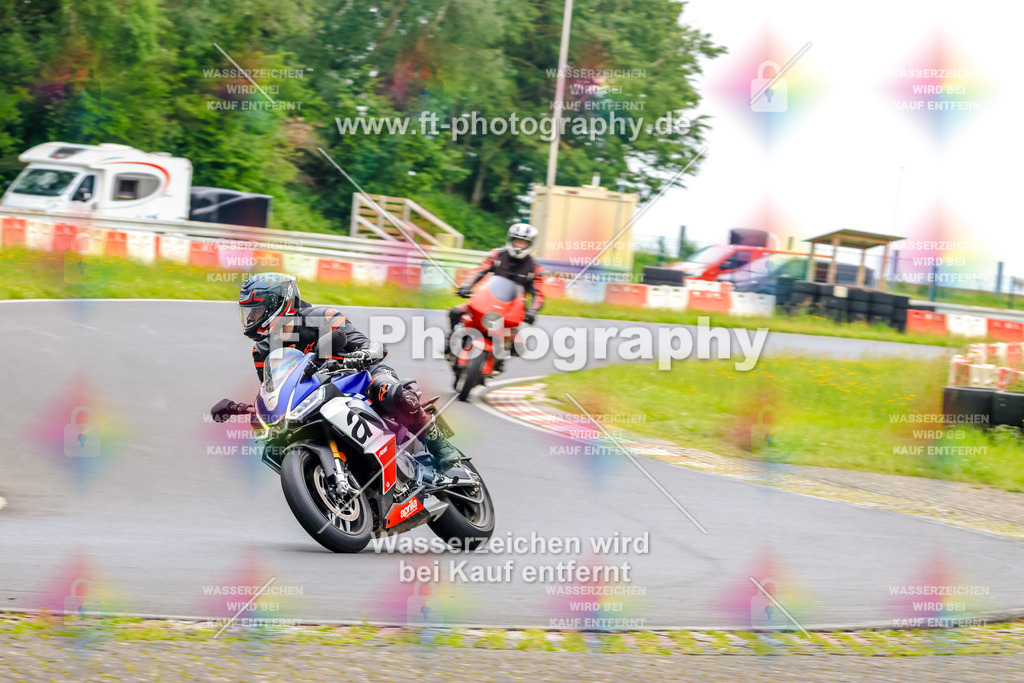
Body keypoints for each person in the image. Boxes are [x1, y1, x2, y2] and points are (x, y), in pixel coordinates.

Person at [211, 272, 461, 469]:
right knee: (276, 439)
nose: (251, 318)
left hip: (358, 376)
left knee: (390, 392)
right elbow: (273, 388)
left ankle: (439, 445)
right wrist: (253, 411)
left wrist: (361, 356)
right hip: (314, 395)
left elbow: (370, 345)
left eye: (256, 310)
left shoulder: (322, 316)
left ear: (278, 303)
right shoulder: (262, 351)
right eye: (249, 312)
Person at [447, 223, 546, 371]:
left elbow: (539, 292)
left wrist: (533, 310)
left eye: (524, 242)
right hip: (487, 300)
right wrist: (467, 286)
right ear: (510, 240)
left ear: (531, 244)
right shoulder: (496, 254)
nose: (519, 245)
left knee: (518, 346)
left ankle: (500, 360)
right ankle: (450, 343)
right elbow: (479, 271)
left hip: (513, 308)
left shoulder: (535, 267)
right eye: (517, 241)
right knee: (456, 312)